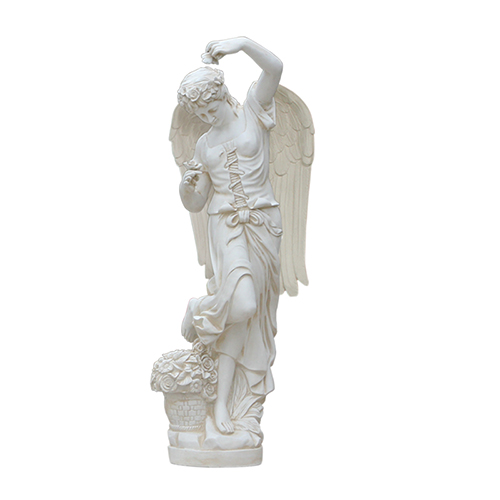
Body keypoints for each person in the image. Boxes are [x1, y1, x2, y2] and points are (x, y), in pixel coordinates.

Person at [177, 37, 283, 435]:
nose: (208, 116)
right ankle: (201, 309)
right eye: (200, 113)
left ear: (223, 93)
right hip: (226, 226)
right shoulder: (204, 145)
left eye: (212, 107)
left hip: (264, 224)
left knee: (248, 318)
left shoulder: (255, 109)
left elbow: (275, 68)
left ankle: (225, 404)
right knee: (241, 303)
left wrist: (240, 43)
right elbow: (196, 202)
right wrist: (186, 187)